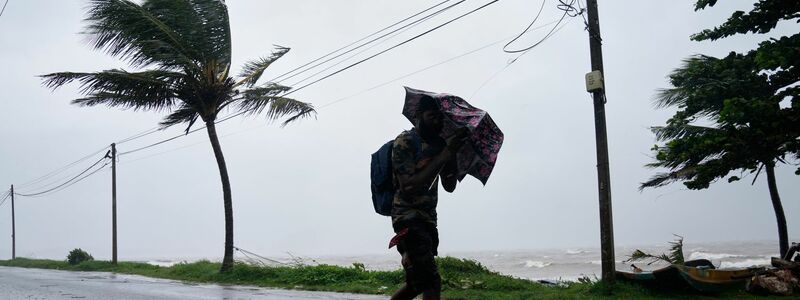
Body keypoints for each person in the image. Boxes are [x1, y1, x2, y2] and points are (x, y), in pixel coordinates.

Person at [390, 95, 468, 300]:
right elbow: (408, 186)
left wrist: (453, 156)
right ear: (418, 116)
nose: (438, 121)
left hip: (427, 220)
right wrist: (443, 155)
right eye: (432, 116)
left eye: (441, 118)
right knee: (432, 282)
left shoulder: (440, 144)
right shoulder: (405, 141)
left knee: (416, 284)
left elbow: (449, 186)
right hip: (408, 219)